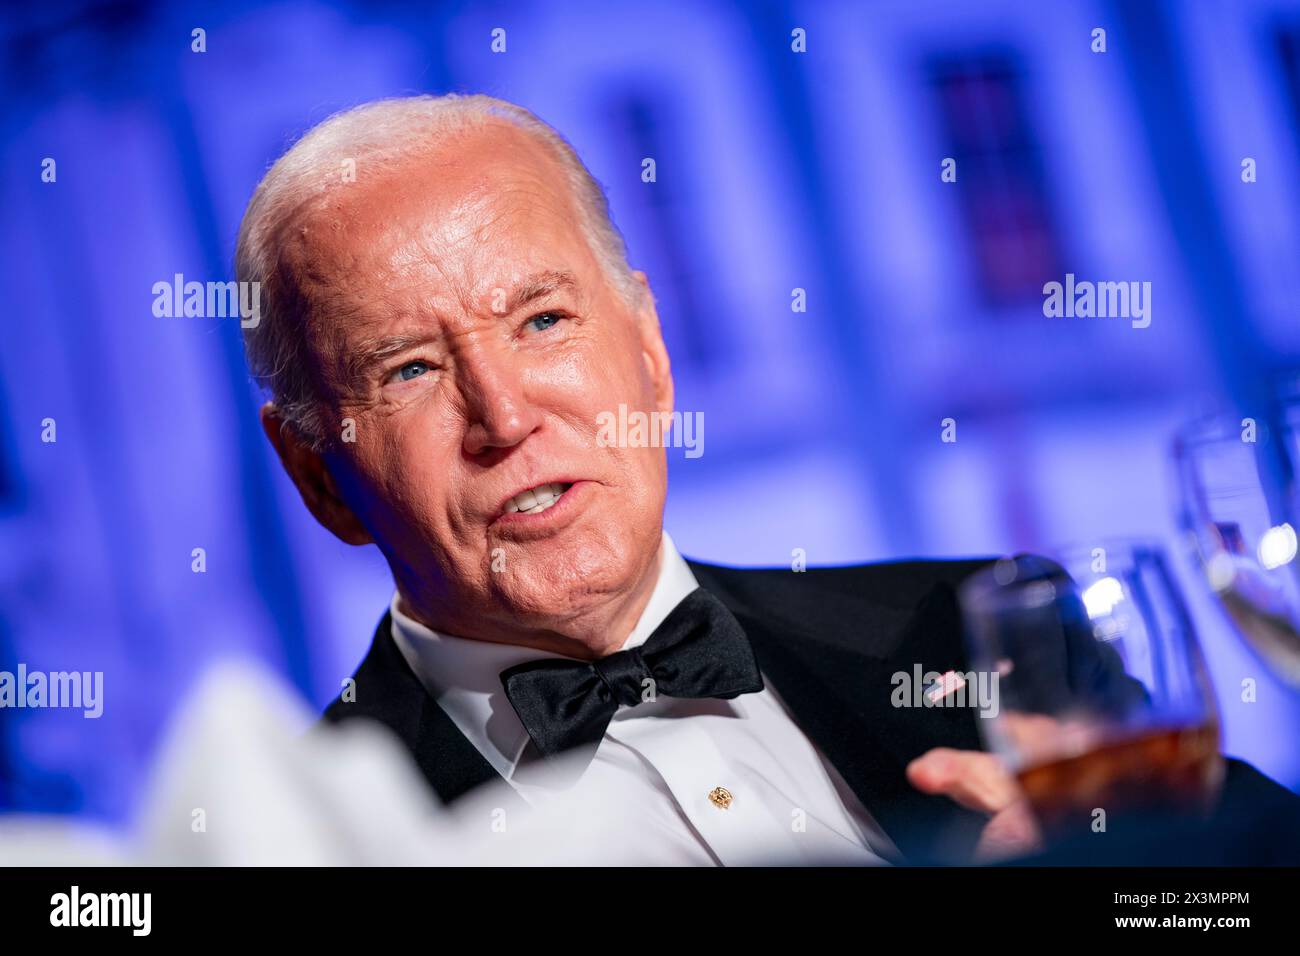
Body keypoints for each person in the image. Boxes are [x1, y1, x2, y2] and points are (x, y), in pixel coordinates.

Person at [234, 94, 1296, 865]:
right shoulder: (307, 843)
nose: (506, 417)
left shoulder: (973, 633)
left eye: (544, 321)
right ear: (318, 475)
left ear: (649, 349)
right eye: (410, 369)